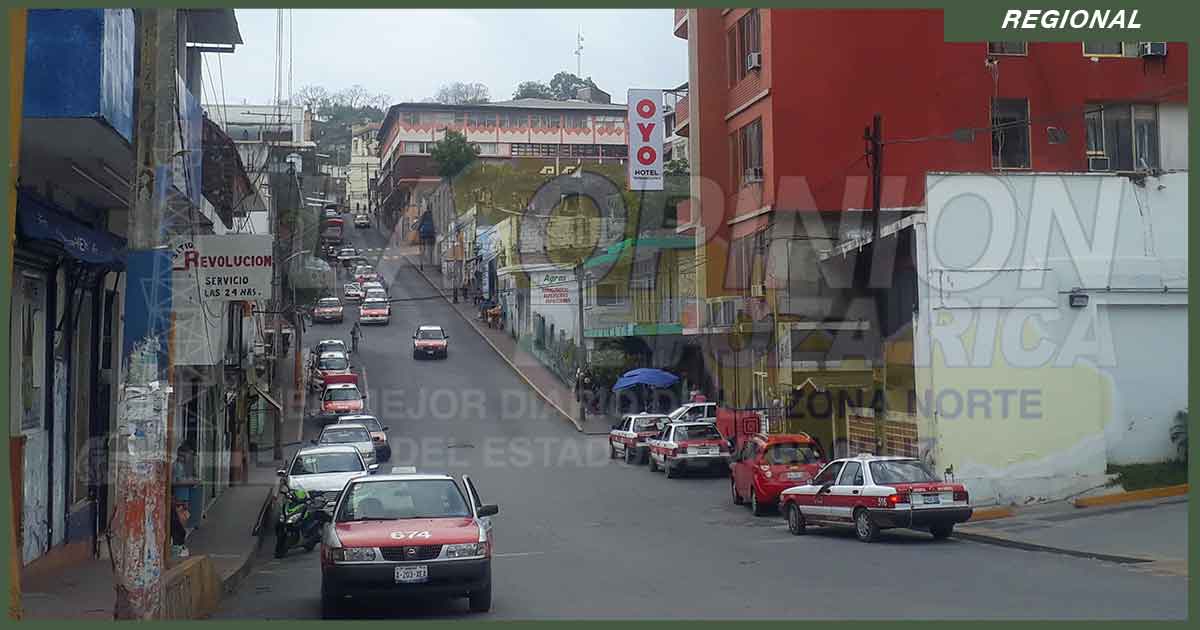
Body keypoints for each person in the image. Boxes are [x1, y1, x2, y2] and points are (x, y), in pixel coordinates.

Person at [171, 441, 197, 558]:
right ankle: (178, 547)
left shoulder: (183, 466)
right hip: (179, 499)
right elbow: (175, 482)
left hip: (183, 498)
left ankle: (180, 546)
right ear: (182, 454)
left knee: (183, 522)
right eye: (189, 455)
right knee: (180, 524)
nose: (190, 457)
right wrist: (190, 482)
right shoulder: (177, 466)